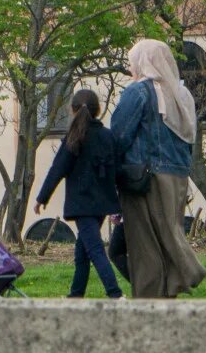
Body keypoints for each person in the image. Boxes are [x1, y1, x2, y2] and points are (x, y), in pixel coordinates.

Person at [108, 39, 206, 299]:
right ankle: (169, 289)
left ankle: (171, 281)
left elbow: (119, 135)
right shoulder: (182, 94)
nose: (131, 69)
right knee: (168, 232)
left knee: (144, 241)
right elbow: (189, 139)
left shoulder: (138, 91)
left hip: (144, 177)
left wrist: (111, 173)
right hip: (177, 176)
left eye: (133, 62)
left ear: (144, 62)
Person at [35, 88, 123, 299]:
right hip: (102, 203)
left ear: (73, 111)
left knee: (94, 249)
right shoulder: (107, 136)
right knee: (82, 251)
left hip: (82, 204)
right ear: (98, 110)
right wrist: (119, 202)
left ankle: (115, 294)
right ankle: (76, 295)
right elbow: (117, 170)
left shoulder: (74, 137)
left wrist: (41, 198)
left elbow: (58, 169)